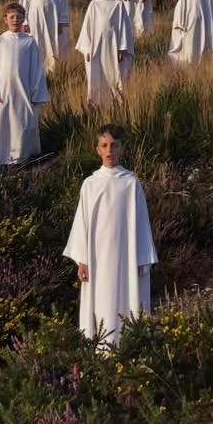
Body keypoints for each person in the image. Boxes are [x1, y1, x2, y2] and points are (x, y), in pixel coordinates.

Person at [64, 124, 157, 346]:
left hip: (125, 256)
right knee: (102, 300)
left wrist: (142, 258)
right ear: (97, 149)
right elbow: (82, 223)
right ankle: (102, 348)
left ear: (121, 148)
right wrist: (82, 260)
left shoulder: (130, 182)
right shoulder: (90, 184)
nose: (109, 151)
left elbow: (141, 222)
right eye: (104, 146)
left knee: (126, 298)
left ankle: (128, 344)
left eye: (114, 146)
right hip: (98, 257)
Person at [0, 3, 50, 165]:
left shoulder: (30, 42)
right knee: (0, 123)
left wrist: (36, 93)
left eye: (19, 17)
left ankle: (20, 157)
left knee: (21, 123)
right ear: (5, 19)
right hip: (2, 92)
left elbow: (37, 69)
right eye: (12, 17)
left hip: (23, 91)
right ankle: (0, 156)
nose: (15, 20)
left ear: (24, 19)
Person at [75, 0, 134, 105]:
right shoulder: (94, 4)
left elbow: (124, 27)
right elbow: (87, 28)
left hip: (114, 46)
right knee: (97, 73)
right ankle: (97, 102)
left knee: (114, 73)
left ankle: (116, 102)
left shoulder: (119, 4)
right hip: (97, 47)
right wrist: (87, 48)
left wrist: (122, 47)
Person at [19, 0, 70, 73]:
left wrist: (61, 22)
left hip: (52, 18)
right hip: (35, 18)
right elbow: (25, 0)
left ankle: (51, 71)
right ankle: (36, 70)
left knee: (52, 42)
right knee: (36, 41)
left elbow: (62, 2)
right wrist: (24, 21)